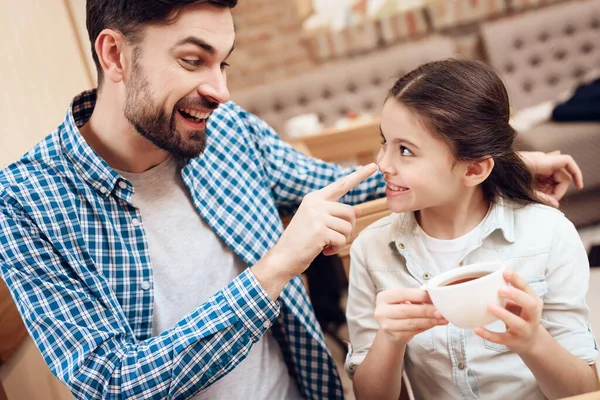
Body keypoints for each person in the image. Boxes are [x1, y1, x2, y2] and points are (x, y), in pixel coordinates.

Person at [0, 1, 584, 399]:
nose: (220, 91)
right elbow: (111, 384)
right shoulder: (26, 201)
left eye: (223, 63)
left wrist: (491, 166)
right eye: (192, 60)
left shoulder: (228, 133)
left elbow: (353, 181)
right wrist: (276, 268)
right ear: (114, 55)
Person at [345, 59, 598, 400]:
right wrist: (389, 340)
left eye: (405, 150)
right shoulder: (371, 250)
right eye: (385, 142)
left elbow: (585, 391)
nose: (383, 164)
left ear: (474, 170)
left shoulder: (549, 235)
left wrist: (532, 341)